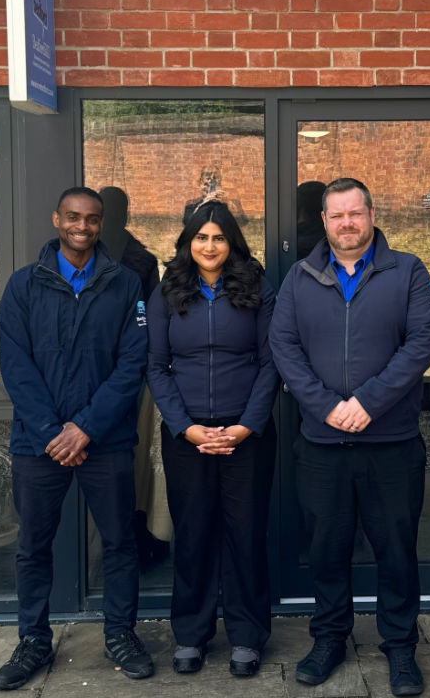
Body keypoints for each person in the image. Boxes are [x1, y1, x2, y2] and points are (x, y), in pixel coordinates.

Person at [269, 177, 430, 697]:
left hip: (391, 443)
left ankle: (400, 648)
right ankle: (328, 639)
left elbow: (421, 343)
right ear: (323, 221)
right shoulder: (300, 278)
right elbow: (283, 346)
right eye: (336, 215)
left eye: (355, 213)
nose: (347, 223)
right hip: (322, 446)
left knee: (395, 550)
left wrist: (368, 402)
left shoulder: (407, 271)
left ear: (371, 214)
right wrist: (326, 408)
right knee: (326, 549)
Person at [0, 187, 154, 691]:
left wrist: (85, 427)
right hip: (37, 443)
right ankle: (33, 640)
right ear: (56, 218)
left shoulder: (126, 284)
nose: (82, 226)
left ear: (101, 224)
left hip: (104, 441)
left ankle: (121, 634)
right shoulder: (23, 285)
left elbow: (133, 364)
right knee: (33, 546)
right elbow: (15, 367)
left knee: (120, 543)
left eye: (91, 219)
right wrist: (52, 432)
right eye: (73, 217)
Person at [146, 200, 279, 678]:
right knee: (195, 533)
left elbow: (271, 363)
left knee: (244, 535)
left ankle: (246, 636)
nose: (209, 246)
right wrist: (186, 426)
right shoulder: (166, 293)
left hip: (248, 436)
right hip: (188, 437)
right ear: (187, 242)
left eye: (218, 237)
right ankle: (191, 634)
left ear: (232, 243)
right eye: (200, 237)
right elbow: (157, 368)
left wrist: (245, 425)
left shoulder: (258, 289)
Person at [98, 186, 171, 570]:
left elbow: (149, 321)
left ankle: (136, 543)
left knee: (134, 460)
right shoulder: (140, 258)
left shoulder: (141, 260)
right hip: (122, 370)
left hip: (132, 374)